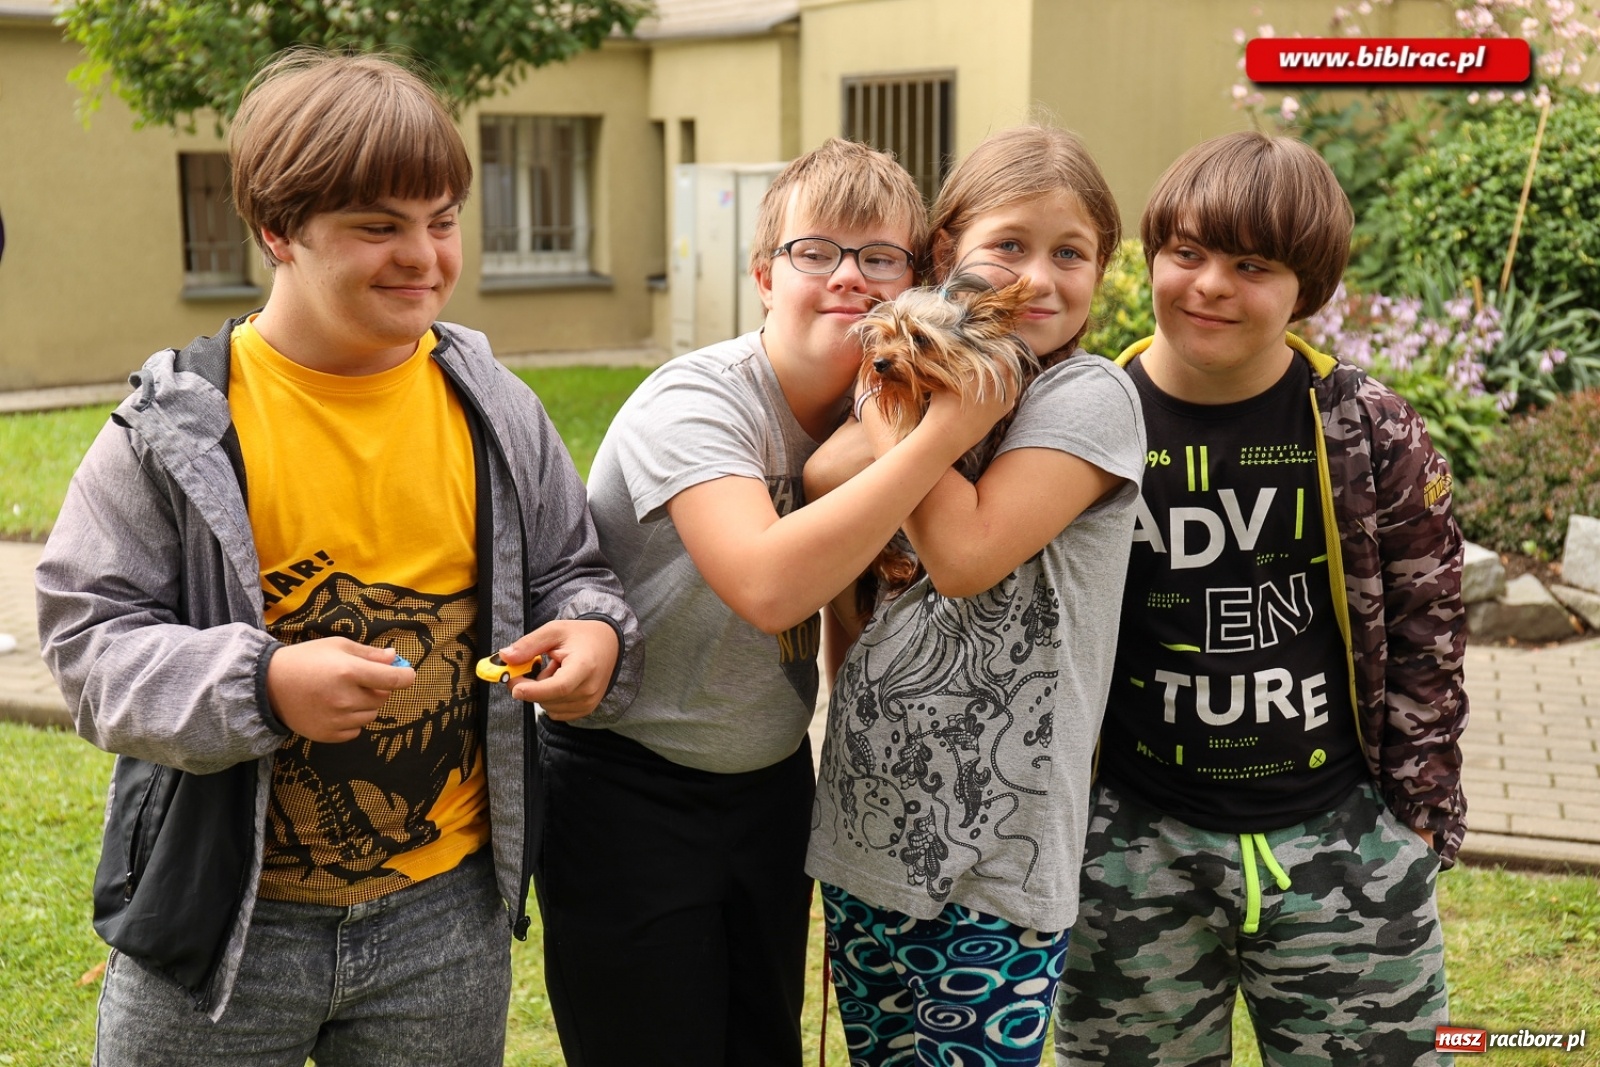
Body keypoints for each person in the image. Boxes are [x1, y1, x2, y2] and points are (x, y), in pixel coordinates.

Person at [34, 50, 641, 1066]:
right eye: (378, 226)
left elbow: (573, 572)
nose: (425, 257)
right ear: (278, 228)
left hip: (445, 922)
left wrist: (592, 632)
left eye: (442, 219)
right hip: (221, 926)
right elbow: (86, 645)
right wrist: (263, 680)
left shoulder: (494, 406)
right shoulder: (173, 426)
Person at [535, 138, 1008, 1067]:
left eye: (881, 258)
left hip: (768, 779)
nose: (850, 278)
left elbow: (850, 615)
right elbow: (768, 584)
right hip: (629, 784)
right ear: (763, 274)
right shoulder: (698, 401)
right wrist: (938, 435)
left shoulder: (876, 407)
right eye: (815, 252)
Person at [1053, 130, 1468, 1066]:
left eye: (1252, 264)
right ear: (1153, 256)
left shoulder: (1368, 428)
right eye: (1186, 254)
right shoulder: (1085, 422)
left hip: (1340, 838)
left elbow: (1427, 625)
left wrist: (1416, 821)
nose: (1209, 286)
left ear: (1305, 288)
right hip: (1132, 842)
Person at [803, 124, 1148, 1067]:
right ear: (948, 252)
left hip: (999, 856)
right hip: (868, 823)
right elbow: (824, 476)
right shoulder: (922, 383)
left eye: (1070, 253)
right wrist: (918, 408)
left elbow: (965, 555)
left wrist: (913, 409)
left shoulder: (1088, 399)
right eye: (1009, 245)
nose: (1038, 278)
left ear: (1103, 270)